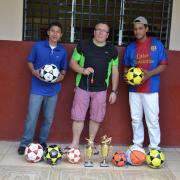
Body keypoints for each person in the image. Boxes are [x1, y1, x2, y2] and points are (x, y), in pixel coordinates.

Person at [18, 22, 68, 155]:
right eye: (52, 31)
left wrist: (62, 76)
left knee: (48, 118)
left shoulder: (62, 51)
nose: (55, 34)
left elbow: (64, 69)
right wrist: (34, 72)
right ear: (48, 32)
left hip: (53, 90)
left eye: (58, 32)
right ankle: (25, 143)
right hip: (37, 88)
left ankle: (42, 141)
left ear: (61, 35)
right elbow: (30, 61)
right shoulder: (38, 46)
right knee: (32, 117)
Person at [67, 22, 119, 150]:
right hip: (82, 87)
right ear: (94, 32)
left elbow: (115, 71)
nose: (101, 33)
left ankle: (90, 143)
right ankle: (75, 143)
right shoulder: (83, 45)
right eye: (98, 30)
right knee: (78, 117)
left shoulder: (112, 50)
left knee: (96, 118)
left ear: (107, 35)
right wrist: (83, 70)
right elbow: (72, 63)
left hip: (101, 89)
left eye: (104, 31)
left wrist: (114, 91)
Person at [123, 16, 168, 150]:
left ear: (146, 29)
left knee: (152, 120)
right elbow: (125, 66)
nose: (137, 31)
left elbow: (164, 65)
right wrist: (126, 75)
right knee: (136, 119)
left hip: (151, 89)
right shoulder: (130, 47)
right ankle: (137, 144)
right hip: (134, 89)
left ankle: (154, 147)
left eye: (140, 28)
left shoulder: (156, 44)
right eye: (135, 29)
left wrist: (149, 74)